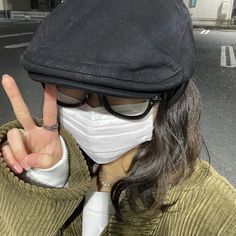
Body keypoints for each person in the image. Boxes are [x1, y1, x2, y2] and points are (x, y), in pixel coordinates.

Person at [0, 0, 236, 235]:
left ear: (168, 99)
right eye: (72, 90)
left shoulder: (215, 213)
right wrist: (45, 181)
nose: (92, 112)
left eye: (121, 94)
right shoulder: (44, 164)